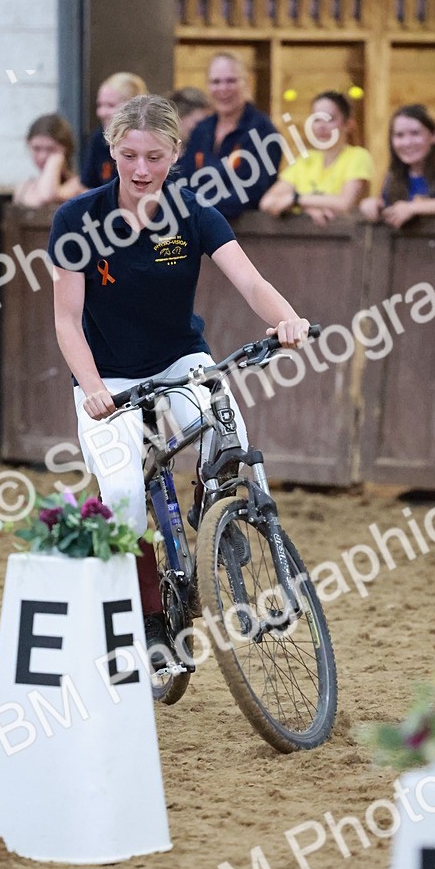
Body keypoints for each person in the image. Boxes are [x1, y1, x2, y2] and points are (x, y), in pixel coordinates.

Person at [49, 95, 310, 666]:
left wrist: (286, 318)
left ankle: (219, 516)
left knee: (229, 427)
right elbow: (67, 319)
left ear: (175, 155)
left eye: (155, 157)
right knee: (119, 494)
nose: (141, 170)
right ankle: (146, 617)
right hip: (107, 375)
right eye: (129, 155)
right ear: (112, 152)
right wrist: (93, 388)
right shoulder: (76, 219)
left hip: (179, 359)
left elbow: (250, 281)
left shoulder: (195, 214)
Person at [179, 52, 279, 219]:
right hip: (196, 229)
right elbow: (185, 180)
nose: (223, 89)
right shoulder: (201, 130)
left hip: (246, 233)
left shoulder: (262, 130)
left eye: (231, 81)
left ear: (246, 82)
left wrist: (200, 209)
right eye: (216, 82)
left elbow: (253, 190)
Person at [259, 90, 373, 226]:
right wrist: (306, 209)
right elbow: (266, 202)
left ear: (347, 124)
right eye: (317, 119)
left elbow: (345, 203)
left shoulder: (358, 156)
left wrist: (296, 200)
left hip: (348, 241)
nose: (322, 126)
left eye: (330, 119)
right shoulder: (306, 160)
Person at [360, 103, 435, 228]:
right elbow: (389, 210)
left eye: (415, 133)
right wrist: (372, 207)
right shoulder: (394, 175)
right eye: (399, 135)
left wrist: (414, 208)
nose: (407, 142)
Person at [80, 71, 148, 189]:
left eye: (110, 105)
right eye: (100, 105)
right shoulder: (99, 138)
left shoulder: (152, 139)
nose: (101, 113)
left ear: (134, 107)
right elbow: (88, 186)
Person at [12, 114, 83, 207]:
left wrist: (55, 161)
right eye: (36, 148)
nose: (42, 156)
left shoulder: (78, 185)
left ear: (66, 149)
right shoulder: (24, 188)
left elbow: (47, 195)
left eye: (51, 149)